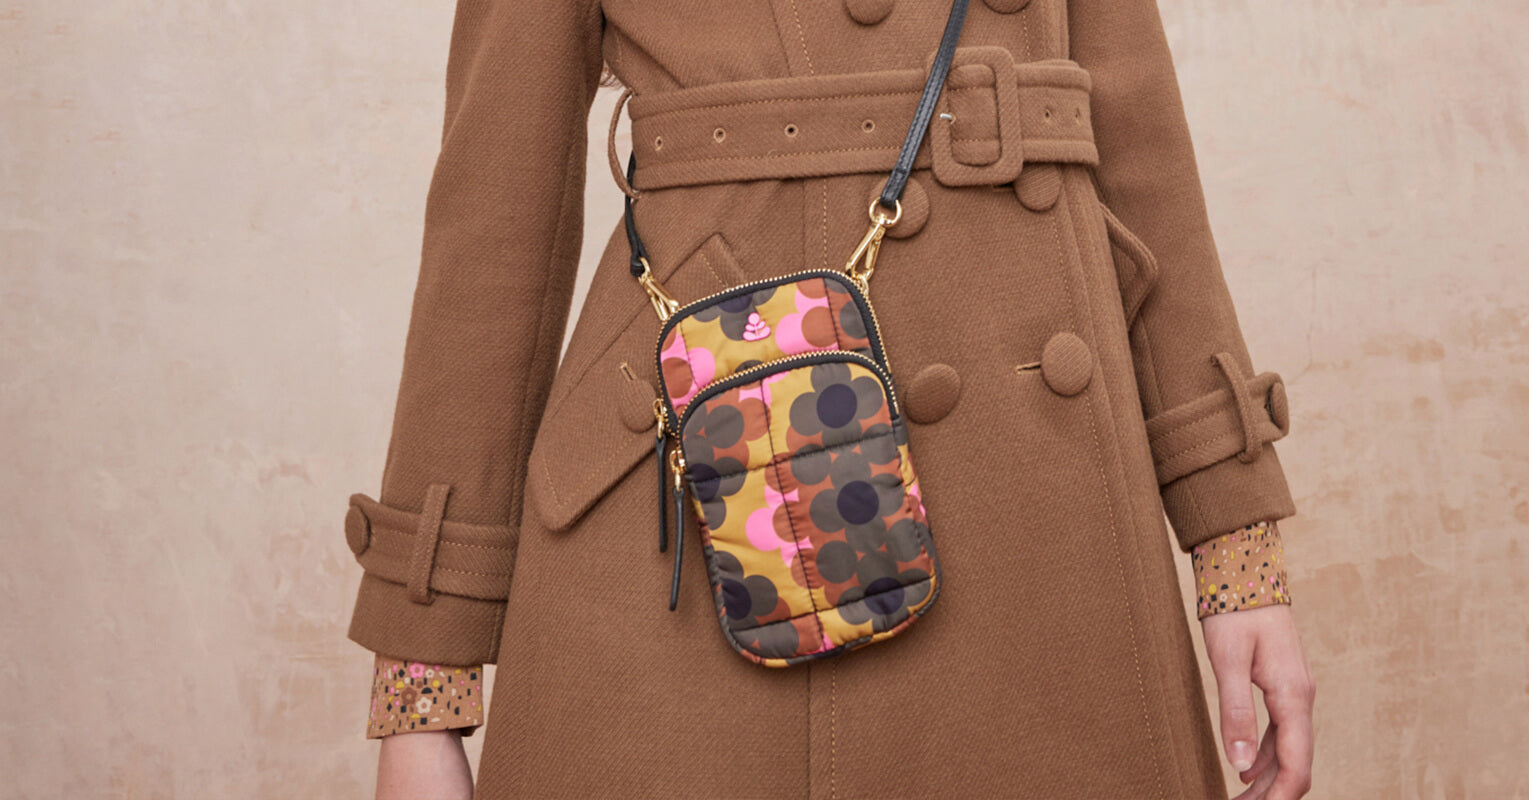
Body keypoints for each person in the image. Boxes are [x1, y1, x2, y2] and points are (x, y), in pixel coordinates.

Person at [340, 0, 1315, 798]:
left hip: (1043, 523)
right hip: (713, 490)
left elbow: (1140, 147)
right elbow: (493, 233)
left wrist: (1237, 554)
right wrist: (424, 681)